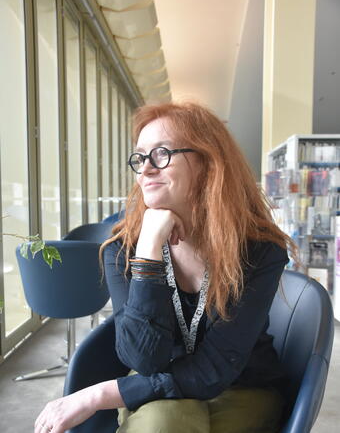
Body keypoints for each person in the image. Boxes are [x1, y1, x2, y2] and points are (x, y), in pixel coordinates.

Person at [35, 102, 296, 433]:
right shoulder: (121, 250)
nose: (145, 170)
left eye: (161, 154)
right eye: (140, 158)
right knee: (162, 421)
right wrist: (148, 252)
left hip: (242, 385)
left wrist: (99, 395)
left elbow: (215, 370)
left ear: (208, 163)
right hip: (154, 381)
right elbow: (143, 360)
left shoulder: (259, 249)